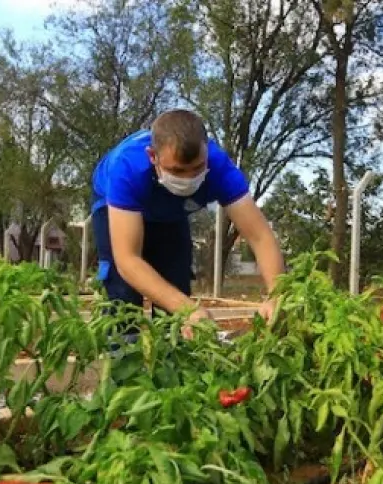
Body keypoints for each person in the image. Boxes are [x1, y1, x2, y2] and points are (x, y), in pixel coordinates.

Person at [89, 109, 285, 338]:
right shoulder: (127, 168)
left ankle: (172, 361)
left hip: (171, 213)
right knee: (123, 298)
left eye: (197, 168)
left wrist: (276, 296)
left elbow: (259, 236)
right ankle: (121, 361)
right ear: (153, 156)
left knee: (176, 287)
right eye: (177, 171)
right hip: (114, 204)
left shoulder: (220, 168)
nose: (188, 178)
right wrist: (188, 308)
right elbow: (128, 259)